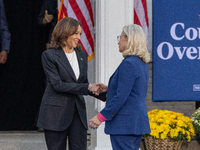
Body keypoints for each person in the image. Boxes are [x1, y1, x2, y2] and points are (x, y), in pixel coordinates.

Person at [37, 17, 105, 150]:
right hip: (55, 114)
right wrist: (88, 87)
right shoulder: (49, 56)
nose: (78, 37)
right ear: (64, 33)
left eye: (80, 34)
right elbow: (58, 85)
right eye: (75, 33)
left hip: (77, 114)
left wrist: (107, 93)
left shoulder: (82, 55)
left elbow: (83, 84)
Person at [89, 24, 151, 150]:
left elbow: (121, 97)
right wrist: (109, 88)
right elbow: (133, 91)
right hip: (134, 123)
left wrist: (100, 117)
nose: (118, 41)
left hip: (124, 124)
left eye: (120, 37)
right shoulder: (141, 63)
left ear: (129, 39)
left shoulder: (129, 64)